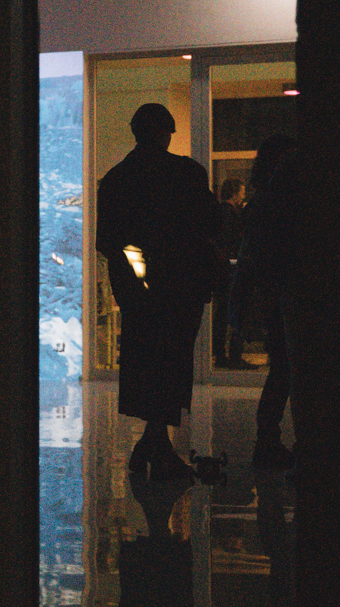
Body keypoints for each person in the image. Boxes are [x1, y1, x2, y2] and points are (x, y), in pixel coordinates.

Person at [95, 103, 216, 482]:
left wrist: (132, 279)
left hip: (137, 293)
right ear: (167, 133)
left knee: (146, 365)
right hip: (180, 288)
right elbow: (207, 228)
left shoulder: (115, 179)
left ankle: (153, 442)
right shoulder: (187, 174)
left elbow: (106, 242)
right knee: (173, 364)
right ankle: (156, 445)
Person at [231, 135, 299, 470]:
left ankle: (267, 440)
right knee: (286, 369)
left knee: (282, 369)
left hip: (272, 292)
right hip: (283, 292)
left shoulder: (260, 204)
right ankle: (269, 440)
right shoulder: (278, 203)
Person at [212, 178, 253, 369]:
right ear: (235, 193)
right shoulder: (230, 214)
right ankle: (234, 355)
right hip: (231, 269)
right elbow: (233, 241)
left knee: (221, 312)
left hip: (222, 269)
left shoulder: (219, 213)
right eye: (242, 192)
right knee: (236, 311)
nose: (243, 196)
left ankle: (220, 354)